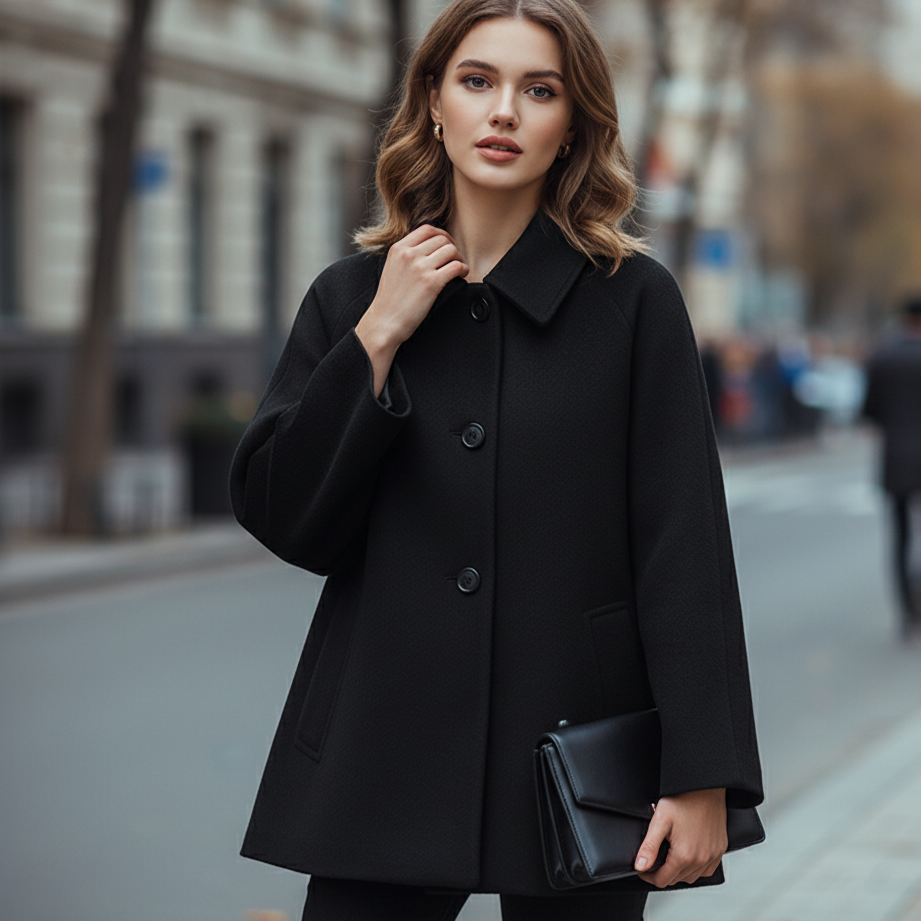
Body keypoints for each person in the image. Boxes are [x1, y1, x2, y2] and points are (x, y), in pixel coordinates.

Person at [229, 0, 763, 917]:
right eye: (477, 81)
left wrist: (702, 773)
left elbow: (684, 546)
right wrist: (377, 340)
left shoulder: (631, 302)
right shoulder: (353, 294)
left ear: (574, 126)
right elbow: (288, 518)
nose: (504, 110)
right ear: (434, 103)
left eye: (538, 89)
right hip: (380, 747)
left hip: (579, 751)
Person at [862, 296, 921, 638]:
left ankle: (905, 613)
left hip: (896, 458)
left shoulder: (883, 356)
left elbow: (869, 410)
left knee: (900, 537)